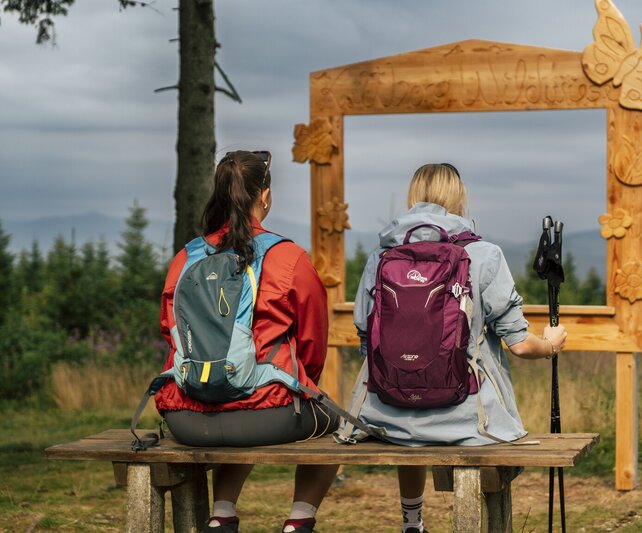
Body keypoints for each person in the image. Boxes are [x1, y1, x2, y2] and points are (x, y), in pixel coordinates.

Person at [344, 163, 568, 533]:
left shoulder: (380, 256)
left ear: (413, 197)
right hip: (469, 421)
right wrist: (550, 344)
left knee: (409, 412)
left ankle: (412, 523)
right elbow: (519, 345)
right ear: (459, 197)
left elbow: (366, 335)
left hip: (388, 417)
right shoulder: (484, 255)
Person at [154, 150, 339, 533]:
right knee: (334, 423)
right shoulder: (287, 257)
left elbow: (167, 329)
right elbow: (312, 342)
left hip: (186, 417)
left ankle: (222, 515)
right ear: (265, 196)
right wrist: (296, 381)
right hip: (265, 418)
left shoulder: (186, 258)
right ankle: (298, 523)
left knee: (235, 396)